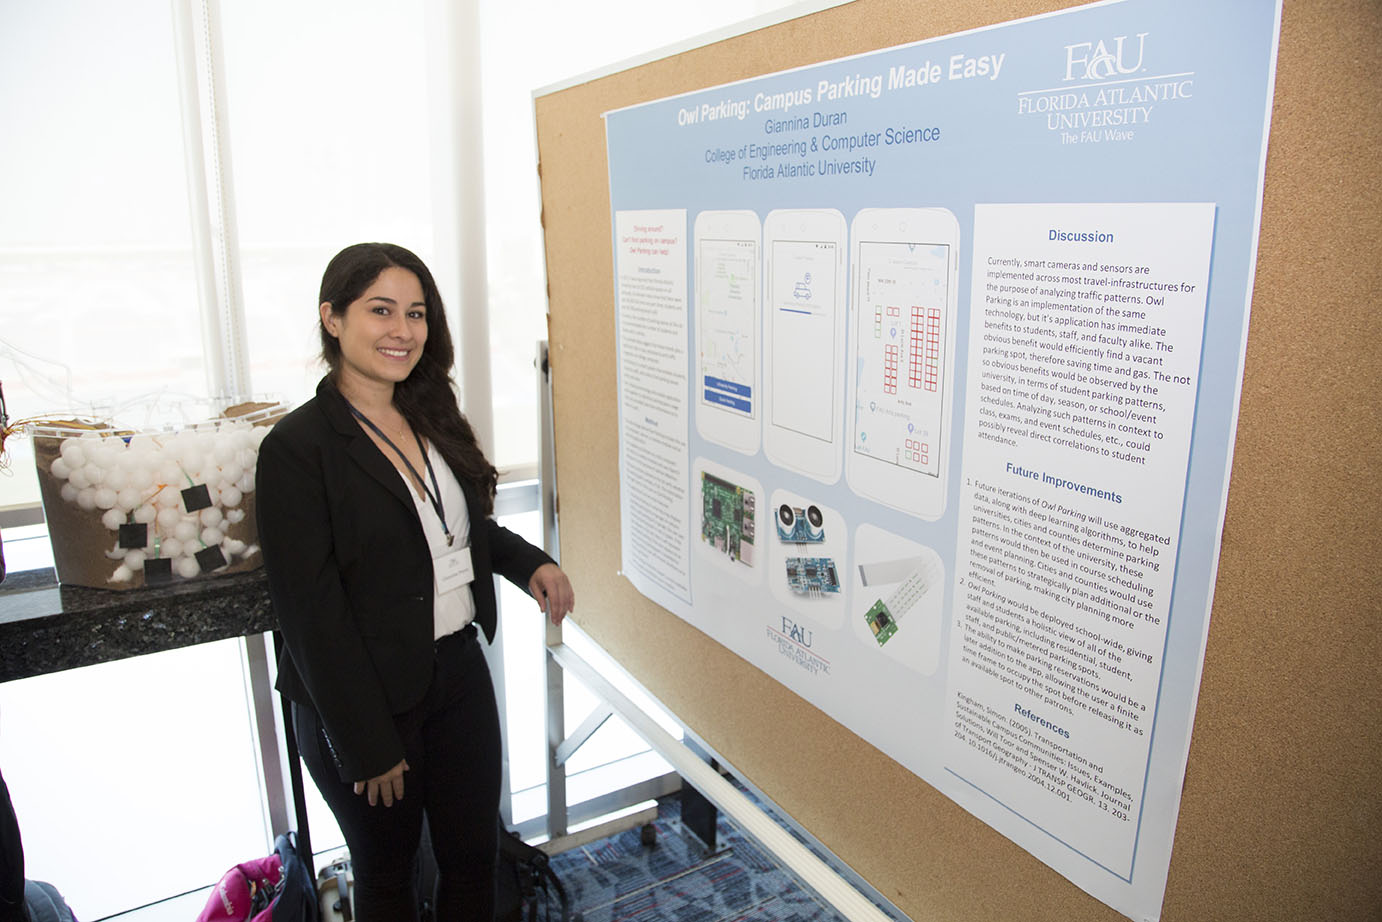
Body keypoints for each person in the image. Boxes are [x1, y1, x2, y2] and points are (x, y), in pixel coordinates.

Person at [256, 242, 574, 921]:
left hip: (456, 670)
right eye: (381, 310)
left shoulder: (431, 413)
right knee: (388, 877)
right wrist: (367, 743)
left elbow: (459, 531)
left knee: (472, 860)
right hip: (363, 693)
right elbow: (311, 615)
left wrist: (530, 563)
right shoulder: (297, 448)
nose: (402, 330)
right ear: (332, 318)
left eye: (416, 313)